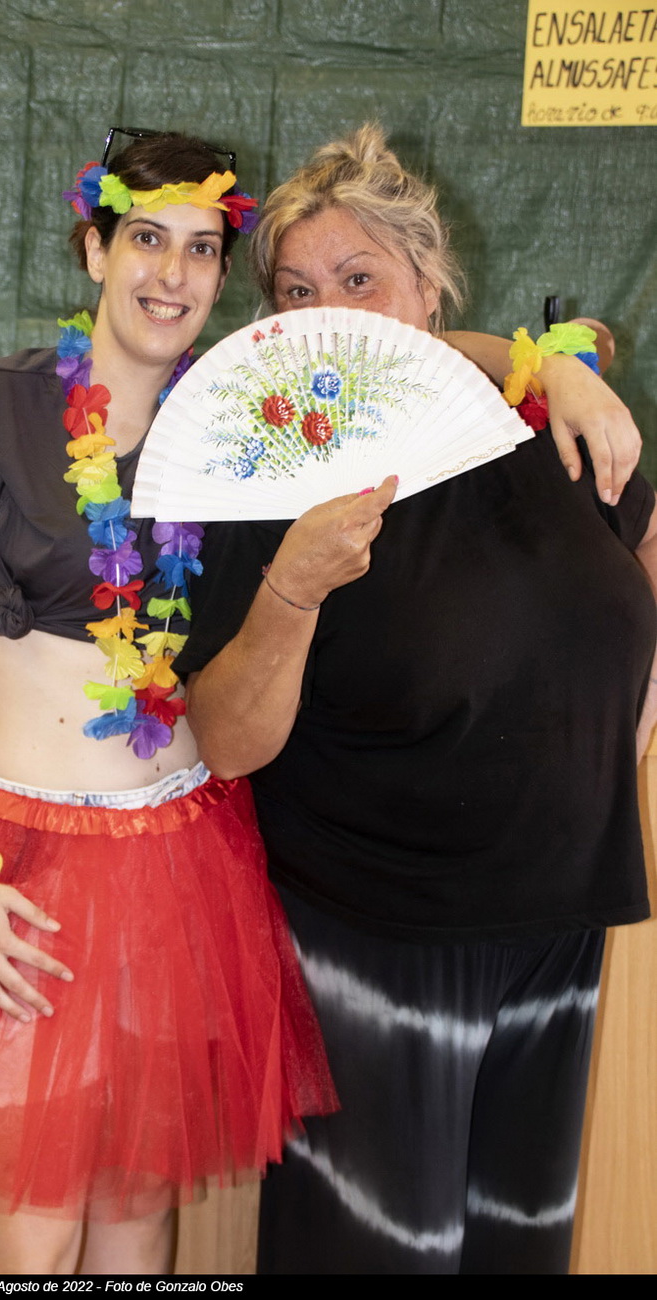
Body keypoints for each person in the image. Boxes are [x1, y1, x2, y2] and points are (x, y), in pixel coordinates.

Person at [0, 130, 340, 1276]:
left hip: (181, 864)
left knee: (135, 1218)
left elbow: (397, 358)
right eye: (146, 238)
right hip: (18, 868)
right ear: (94, 249)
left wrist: (558, 369)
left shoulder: (235, 428)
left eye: (201, 248)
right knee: (30, 1227)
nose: (171, 274)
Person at [177, 123, 657, 1275]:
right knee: (374, 1254)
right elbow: (225, 741)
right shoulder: (267, 464)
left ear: (427, 288)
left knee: (514, 1248)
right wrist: (291, 588)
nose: (328, 314)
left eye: (359, 280)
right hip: (373, 939)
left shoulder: (540, 420)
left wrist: (629, 720)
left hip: (551, 928)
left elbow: (638, 540)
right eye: (297, 292)